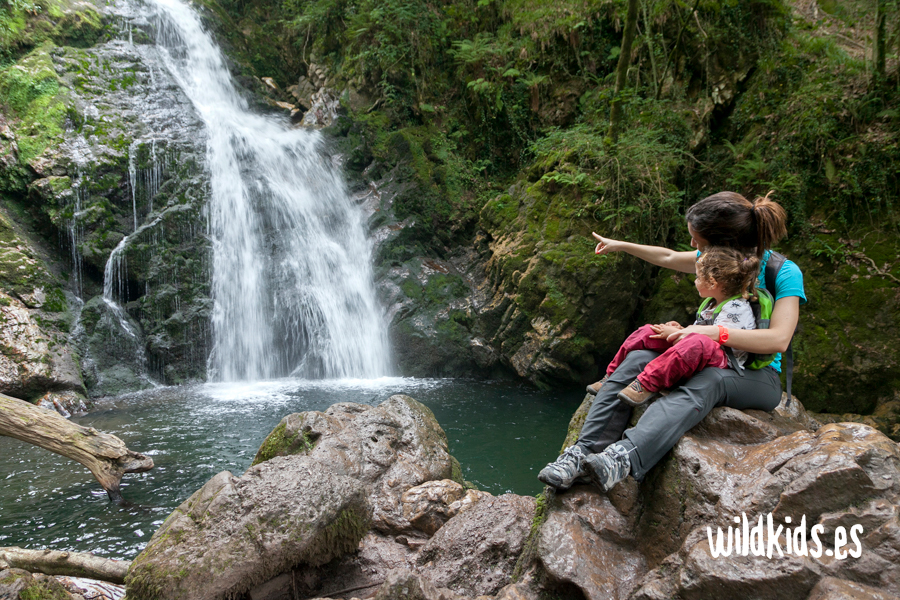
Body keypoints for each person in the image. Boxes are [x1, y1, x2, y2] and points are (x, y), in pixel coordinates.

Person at [538, 191, 806, 493]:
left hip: (757, 375)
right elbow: (666, 256)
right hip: (708, 352)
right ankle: (582, 453)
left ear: (722, 242)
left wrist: (712, 333)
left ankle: (623, 458)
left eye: (697, 239)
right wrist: (621, 245)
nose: (693, 245)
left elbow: (779, 339)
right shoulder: (716, 260)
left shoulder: (782, 272)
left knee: (711, 379)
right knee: (640, 358)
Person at [610, 247, 760, 407]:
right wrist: (680, 329)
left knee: (696, 344)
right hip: (697, 346)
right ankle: (611, 375)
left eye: (697, 276)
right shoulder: (711, 303)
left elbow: (709, 342)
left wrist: (679, 333)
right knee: (648, 331)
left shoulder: (735, 308)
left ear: (711, 282)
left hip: (724, 359)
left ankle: (646, 384)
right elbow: (699, 332)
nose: (695, 280)